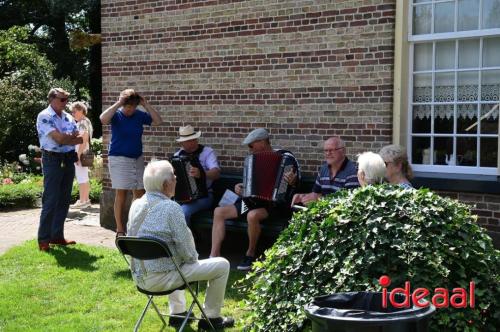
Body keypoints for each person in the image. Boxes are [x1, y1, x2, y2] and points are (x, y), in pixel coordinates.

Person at [127, 160, 234, 330]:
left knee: (173, 259)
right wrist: (191, 259)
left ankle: (178, 314)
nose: (176, 180)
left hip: (140, 278)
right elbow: (189, 254)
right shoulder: (171, 208)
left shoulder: (136, 205)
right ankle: (211, 318)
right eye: (174, 177)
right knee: (222, 265)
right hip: (163, 279)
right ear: (165, 184)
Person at [210, 128, 300, 271]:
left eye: (251, 146)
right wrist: (240, 188)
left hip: (273, 206)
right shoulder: (253, 160)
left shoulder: (286, 158)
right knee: (219, 212)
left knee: (253, 216)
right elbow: (249, 184)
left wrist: (292, 181)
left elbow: (294, 184)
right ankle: (213, 257)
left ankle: (250, 253)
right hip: (251, 202)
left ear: (262, 143)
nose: (250, 149)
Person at [100, 89, 162, 237]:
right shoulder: (116, 115)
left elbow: (158, 121)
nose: (130, 110)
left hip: (137, 158)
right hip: (119, 159)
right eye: (128, 107)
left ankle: (135, 225)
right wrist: (118, 103)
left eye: (133, 107)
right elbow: (103, 119)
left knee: (140, 192)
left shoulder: (139, 115)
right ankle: (120, 229)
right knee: (121, 193)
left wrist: (145, 104)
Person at [36, 88, 83, 251]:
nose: (66, 103)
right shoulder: (44, 116)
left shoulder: (68, 117)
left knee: (63, 199)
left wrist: (67, 139)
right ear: (52, 99)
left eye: (67, 99)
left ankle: (57, 236)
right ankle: (43, 239)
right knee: (50, 200)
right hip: (52, 159)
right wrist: (68, 138)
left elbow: (79, 137)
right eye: (62, 100)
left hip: (67, 158)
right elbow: (60, 139)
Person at [173, 125, 221, 225]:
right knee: (166, 209)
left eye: (194, 139)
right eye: (188, 140)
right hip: (182, 197)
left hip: (205, 195)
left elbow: (216, 173)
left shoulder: (207, 152)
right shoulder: (177, 156)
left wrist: (202, 174)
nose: (193, 142)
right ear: (182, 143)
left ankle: (185, 240)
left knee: (183, 212)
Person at [292, 136, 359, 206]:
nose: (328, 153)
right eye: (326, 150)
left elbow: (349, 203)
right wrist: (302, 197)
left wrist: (319, 199)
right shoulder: (323, 169)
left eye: (331, 150)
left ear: (343, 151)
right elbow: (316, 194)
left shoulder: (352, 172)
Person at [70, 102, 93, 209]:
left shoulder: (82, 122)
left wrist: (78, 155)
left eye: (74, 111)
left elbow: (83, 140)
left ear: (80, 110)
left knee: (81, 176)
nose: (72, 114)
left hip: (81, 151)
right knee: (83, 176)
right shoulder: (85, 121)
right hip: (84, 151)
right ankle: (85, 199)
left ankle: (83, 200)